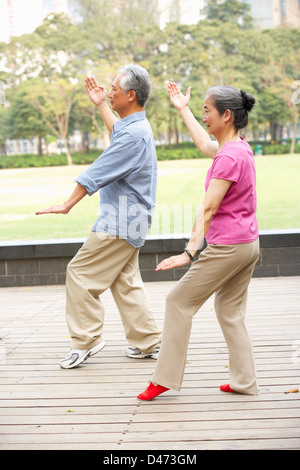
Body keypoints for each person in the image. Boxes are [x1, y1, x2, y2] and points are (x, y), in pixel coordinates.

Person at [137, 82, 260, 400]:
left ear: (227, 115)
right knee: (229, 310)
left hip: (228, 247)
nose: (205, 116)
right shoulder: (238, 147)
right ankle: (244, 381)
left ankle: (164, 378)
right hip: (248, 244)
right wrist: (183, 110)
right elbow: (205, 144)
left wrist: (189, 252)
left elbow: (208, 207)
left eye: (207, 111)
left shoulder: (228, 157)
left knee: (178, 302)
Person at [36, 64, 161, 368]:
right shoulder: (136, 127)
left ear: (131, 95)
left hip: (119, 221)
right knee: (125, 280)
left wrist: (68, 203)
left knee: (79, 274)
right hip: (133, 219)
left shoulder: (133, 136)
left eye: (114, 90)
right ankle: (147, 341)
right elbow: (119, 133)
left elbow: (97, 172)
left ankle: (86, 340)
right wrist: (101, 104)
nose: (110, 92)